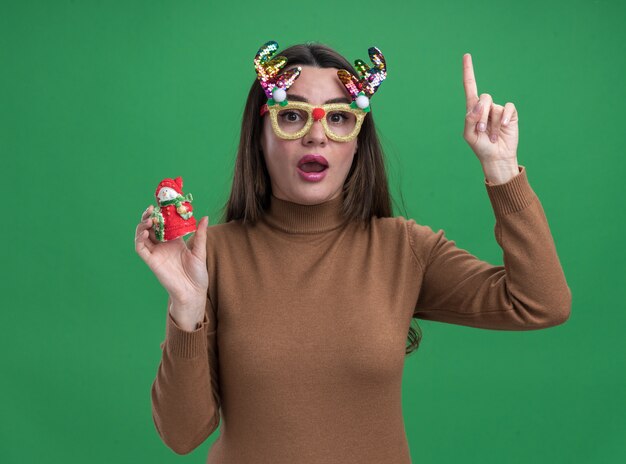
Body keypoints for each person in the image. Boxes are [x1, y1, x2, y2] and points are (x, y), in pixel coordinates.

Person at [135, 40, 571, 464]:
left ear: (358, 140)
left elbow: (541, 303)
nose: (317, 137)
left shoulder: (404, 249)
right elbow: (182, 435)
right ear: (259, 138)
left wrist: (501, 170)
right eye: (292, 115)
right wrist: (186, 308)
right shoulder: (211, 259)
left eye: (340, 119)